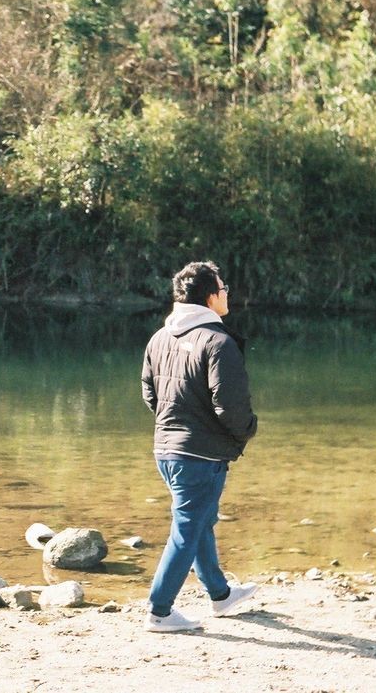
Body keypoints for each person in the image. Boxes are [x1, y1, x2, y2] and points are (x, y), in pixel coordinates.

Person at [140, 260, 258, 632]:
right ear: (210, 296)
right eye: (223, 289)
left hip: (167, 450)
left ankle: (220, 595)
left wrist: (176, 428)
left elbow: (149, 394)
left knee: (199, 521)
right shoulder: (218, 340)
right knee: (188, 528)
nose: (227, 295)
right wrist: (245, 432)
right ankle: (160, 611)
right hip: (199, 454)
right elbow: (230, 406)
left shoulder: (159, 337)